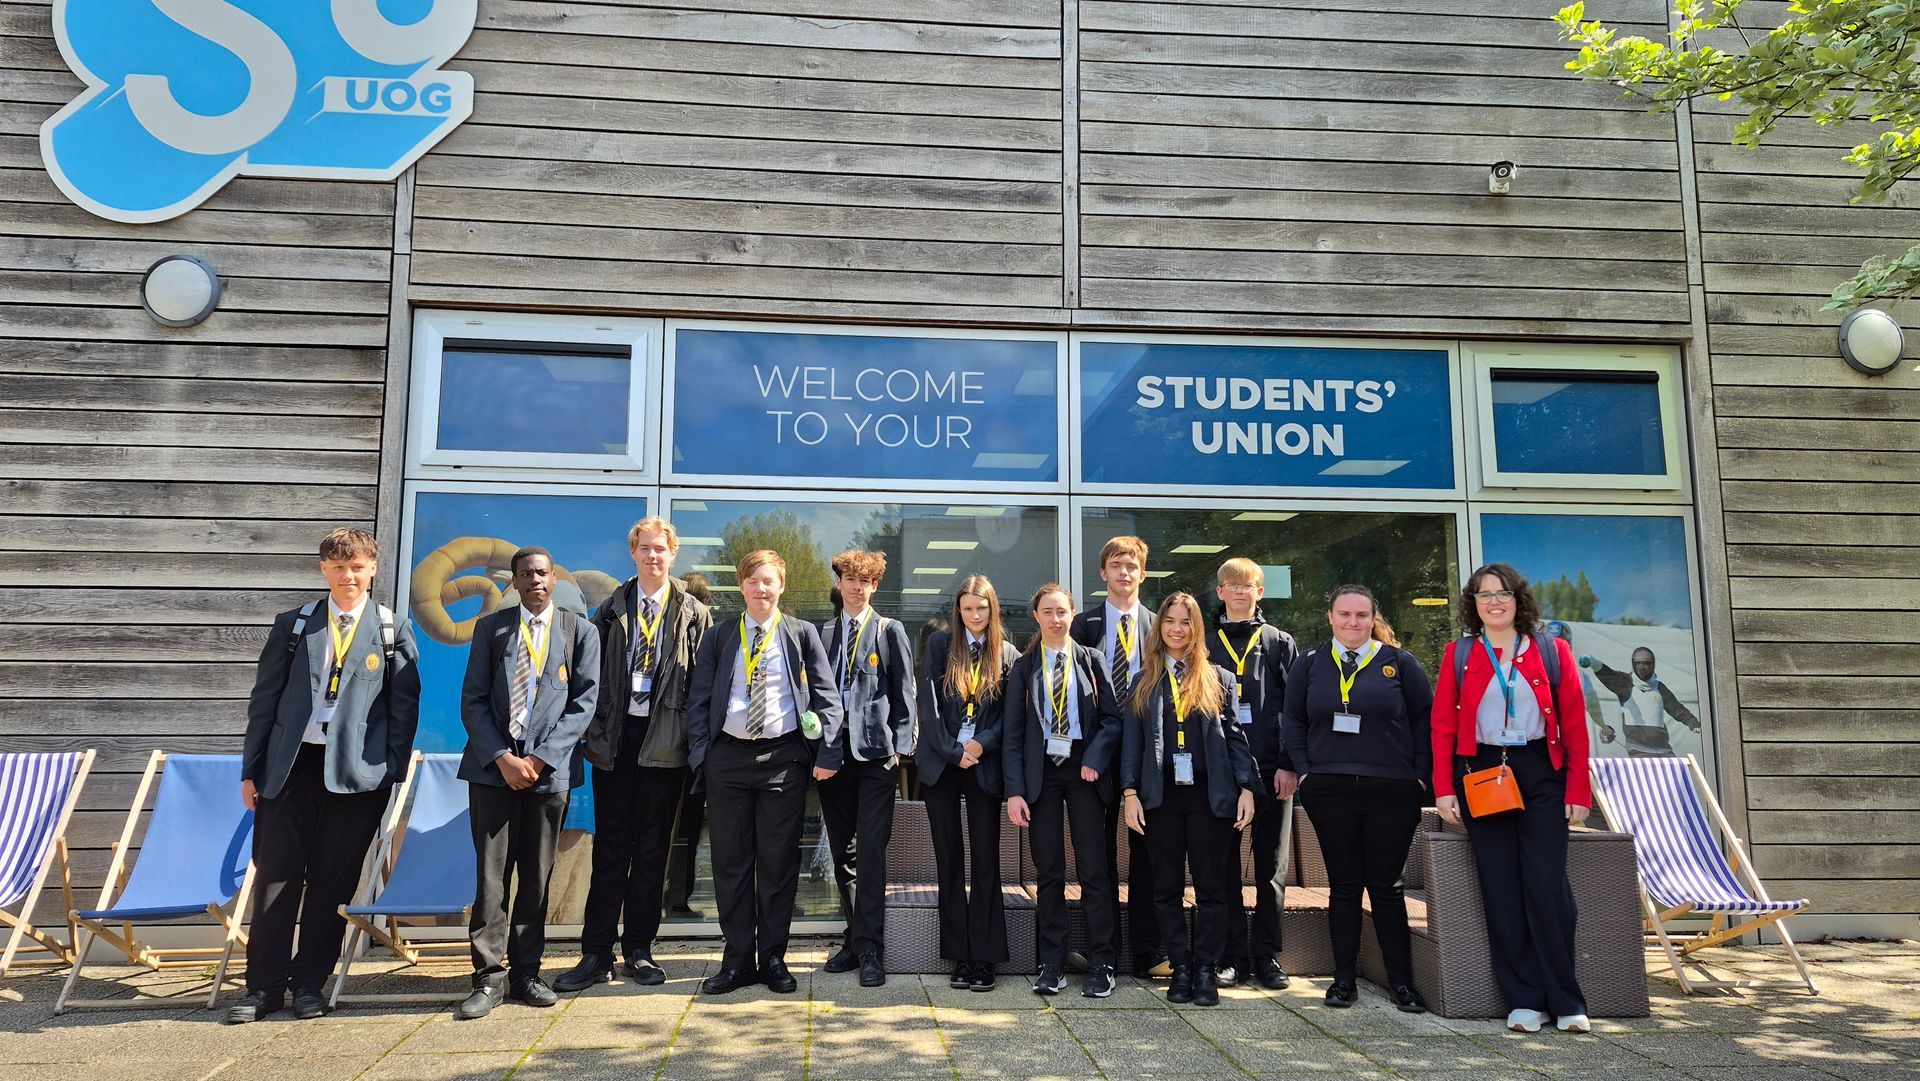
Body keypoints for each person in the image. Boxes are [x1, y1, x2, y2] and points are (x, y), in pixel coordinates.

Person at [232, 527, 421, 1024]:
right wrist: (252, 771)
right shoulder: (294, 626)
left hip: (356, 777)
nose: (348, 576)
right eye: (338, 567)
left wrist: (390, 769)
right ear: (324, 570)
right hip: (289, 769)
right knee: (275, 879)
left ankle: (310, 983)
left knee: (332, 883)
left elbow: (404, 709)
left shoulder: (391, 629)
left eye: (357, 566)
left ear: (373, 569)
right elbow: (263, 704)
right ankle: (263, 989)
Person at [1432, 563, 1594, 1034]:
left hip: (1542, 771)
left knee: (1546, 887)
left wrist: (1577, 789)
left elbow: (1575, 724)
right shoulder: (1459, 653)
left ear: (1518, 600)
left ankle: (1566, 1000)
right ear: (1474, 605)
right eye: (1484, 597)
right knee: (1501, 889)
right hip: (1483, 772)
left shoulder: (1552, 650)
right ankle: (1524, 1000)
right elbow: (1442, 726)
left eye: (1502, 594)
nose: (1494, 603)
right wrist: (1444, 788)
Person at [557, 518, 713, 993]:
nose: (652, 556)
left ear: (673, 554)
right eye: (644, 548)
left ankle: (639, 951)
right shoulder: (610, 609)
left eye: (660, 549)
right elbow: (587, 676)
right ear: (633, 553)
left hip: (666, 744)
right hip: (616, 742)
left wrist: (697, 745)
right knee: (610, 851)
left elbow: (703, 687)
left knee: (652, 853)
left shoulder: (693, 613)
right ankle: (595, 953)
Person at [686, 549, 843, 995]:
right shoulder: (719, 637)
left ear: (781, 585)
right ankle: (736, 961)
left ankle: (773, 957)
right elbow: (698, 701)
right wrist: (704, 756)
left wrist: (827, 753)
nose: (761, 589)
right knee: (730, 864)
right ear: (741, 587)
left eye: (769, 581)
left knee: (778, 865)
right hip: (728, 762)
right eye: (753, 581)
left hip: (783, 762)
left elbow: (828, 699)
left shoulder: (802, 634)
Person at [455, 546, 601, 1020]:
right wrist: (501, 757)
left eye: (542, 572)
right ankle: (488, 977)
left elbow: (584, 703)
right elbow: (473, 700)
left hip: (548, 773)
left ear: (554, 577)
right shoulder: (490, 630)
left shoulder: (579, 631)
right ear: (514, 582)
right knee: (490, 878)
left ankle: (527, 973)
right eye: (525, 574)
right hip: (492, 772)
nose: (535, 580)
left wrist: (538, 759)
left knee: (537, 877)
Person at [1282, 584, 1431, 1013]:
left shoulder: (1399, 664)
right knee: (1344, 886)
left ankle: (1401, 983)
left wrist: (1420, 776)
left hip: (1392, 790)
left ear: (1373, 618)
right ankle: (1343, 980)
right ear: (1330, 617)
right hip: (1329, 789)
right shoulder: (1309, 664)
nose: (1352, 623)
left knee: (1386, 887)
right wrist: (1306, 767)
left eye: (1361, 615)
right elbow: (1293, 718)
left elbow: (1425, 720)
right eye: (1344, 615)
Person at [1120, 592, 1257, 1007]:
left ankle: (1205, 971)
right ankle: (1179, 967)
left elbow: (1236, 739)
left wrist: (1247, 786)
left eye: (1185, 622)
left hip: (1208, 796)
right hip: (1159, 797)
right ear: (1159, 627)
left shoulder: (1218, 678)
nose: (1177, 629)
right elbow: (1131, 745)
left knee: (1212, 888)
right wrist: (1129, 794)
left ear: (1196, 629)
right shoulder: (1143, 681)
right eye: (1170, 621)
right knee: (1164, 887)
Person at [1005, 583, 1123, 998]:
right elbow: (1014, 736)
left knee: (1094, 870)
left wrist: (1095, 757)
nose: (1056, 619)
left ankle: (1103, 961)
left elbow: (1111, 719)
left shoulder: (1092, 660)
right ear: (1036, 617)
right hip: (1041, 778)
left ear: (1072, 615)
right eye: (1048, 612)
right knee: (1049, 872)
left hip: (1084, 770)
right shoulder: (1023, 668)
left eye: (1063, 612)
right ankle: (1051, 962)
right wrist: (1015, 791)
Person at [817, 549, 916, 987]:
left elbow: (905, 692)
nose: (857, 587)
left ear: (875, 586)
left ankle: (872, 947)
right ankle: (853, 940)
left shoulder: (889, 631)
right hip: (833, 758)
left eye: (865, 581)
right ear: (839, 583)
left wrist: (901, 746)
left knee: (871, 853)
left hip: (876, 756)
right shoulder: (822, 634)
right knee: (844, 854)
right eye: (850, 579)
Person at [917, 575, 1018, 991]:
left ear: (993, 610)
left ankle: (986, 958)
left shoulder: (1007, 654)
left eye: (982, 608)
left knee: (986, 862)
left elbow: (1008, 717)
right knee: (949, 862)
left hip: (983, 765)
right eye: (967, 609)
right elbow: (929, 707)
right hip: (942, 765)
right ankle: (959, 956)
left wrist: (978, 744)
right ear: (957, 612)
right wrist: (953, 751)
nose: (974, 616)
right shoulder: (940, 646)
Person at [1069, 535, 1160, 976]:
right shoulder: (1081, 625)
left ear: (1142, 574)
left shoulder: (1162, 625)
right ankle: (1098, 951)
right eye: (1115, 565)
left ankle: (1147, 952)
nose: (1124, 573)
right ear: (1102, 573)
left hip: (1148, 755)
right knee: (1096, 857)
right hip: (1096, 755)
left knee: (1148, 854)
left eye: (1132, 566)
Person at [1211, 557, 1298, 991]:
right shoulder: (1204, 642)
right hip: (1220, 774)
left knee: (1271, 869)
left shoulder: (1280, 642)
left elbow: (1294, 710)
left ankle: (1267, 956)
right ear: (1220, 592)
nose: (1240, 592)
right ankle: (1230, 956)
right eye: (1232, 585)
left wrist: (1288, 764)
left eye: (1249, 586)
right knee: (1223, 869)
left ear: (1260, 593)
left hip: (1272, 773)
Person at [1582, 647, 1699, 758]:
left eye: (1647, 664)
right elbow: (1606, 672)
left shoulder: (1659, 687)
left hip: (1664, 750)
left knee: (1675, 778)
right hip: (1638, 750)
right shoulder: (1625, 683)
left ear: (1653, 665)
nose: (1643, 667)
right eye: (1639, 663)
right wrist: (1591, 661)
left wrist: (1694, 723)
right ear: (1634, 664)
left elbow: (1677, 710)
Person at [1545, 621, 1614, 747]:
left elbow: (1593, 706)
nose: (1554, 650)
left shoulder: (1580, 678)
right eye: (1550, 646)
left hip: (1566, 744)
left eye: (1559, 644)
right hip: (1538, 746)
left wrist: (1604, 727)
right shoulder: (1528, 673)